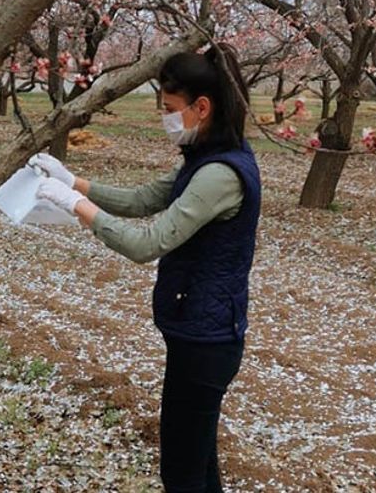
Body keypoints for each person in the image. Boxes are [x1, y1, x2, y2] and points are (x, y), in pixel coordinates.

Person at [31, 42, 261, 493]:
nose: (165, 118)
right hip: (200, 331)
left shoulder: (219, 175)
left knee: (182, 471)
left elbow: (147, 243)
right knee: (197, 462)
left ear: (202, 107)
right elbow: (140, 201)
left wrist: (76, 207)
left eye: (170, 108)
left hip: (206, 342)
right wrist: (70, 179)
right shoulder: (205, 159)